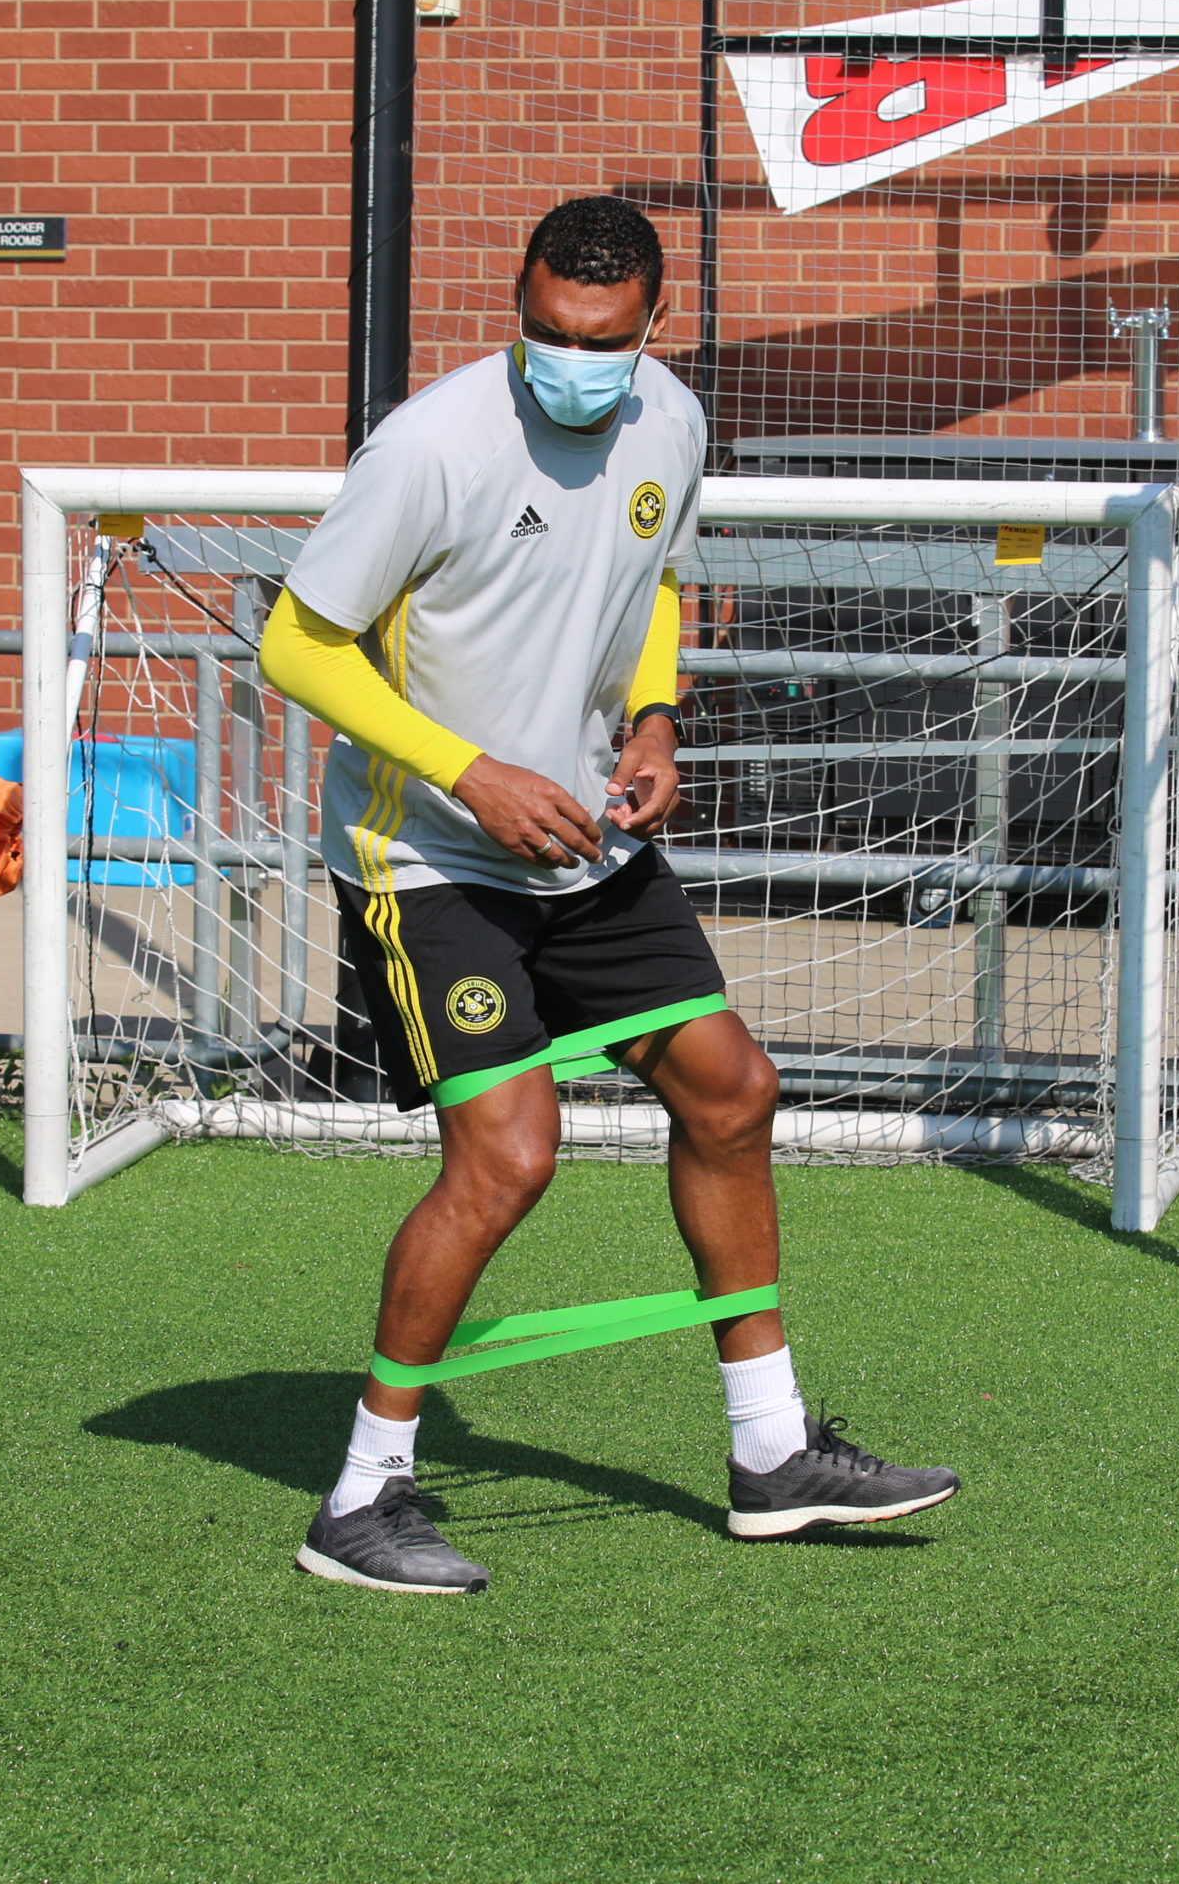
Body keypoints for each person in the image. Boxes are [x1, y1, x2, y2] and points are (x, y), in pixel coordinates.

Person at [257, 195, 961, 1594]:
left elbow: (649, 584)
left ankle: (770, 1453)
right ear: (518, 310)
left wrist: (653, 719)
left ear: (651, 326)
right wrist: (474, 776)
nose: (567, 359)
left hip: (593, 841)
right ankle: (361, 1496)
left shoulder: (673, 423)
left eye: (599, 338)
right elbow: (297, 645)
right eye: (543, 333)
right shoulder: (432, 447)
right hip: (431, 856)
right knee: (513, 1154)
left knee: (732, 1091)